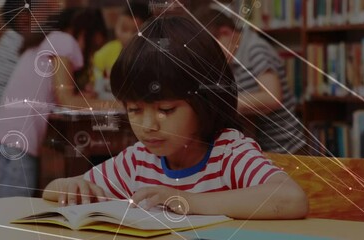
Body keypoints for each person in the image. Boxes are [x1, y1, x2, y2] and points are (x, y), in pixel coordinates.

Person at [42, 16, 308, 219]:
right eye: (134, 110)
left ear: (205, 102)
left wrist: (187, 200)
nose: (148, 126)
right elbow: (52, 192)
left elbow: (292, 199)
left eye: (166, 110)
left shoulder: (229, 153)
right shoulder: (138, 161)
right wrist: (69, 185)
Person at [0, 8, 120, 198]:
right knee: (14, 209)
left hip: (6, 132)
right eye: (93, 47)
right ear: (84, 33)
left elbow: (51, 92)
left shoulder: (43, 41)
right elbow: (67, 100)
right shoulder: (64, 41)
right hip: (20, 140)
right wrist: (119, 105)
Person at [194, 7, 306, 154]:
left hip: (286, 148)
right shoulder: (231, 57)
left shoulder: (256, 49)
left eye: (212, 50)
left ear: (226, 33)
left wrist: (227, 103)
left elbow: (272, 97)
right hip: (261, 148)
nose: (212, 57)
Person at [92, 1, 151, 100]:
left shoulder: (151, 54)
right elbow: (96, 84)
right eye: (124, 29)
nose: (128, 36)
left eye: (135, 31)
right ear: (116, 25)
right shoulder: (104, 53)